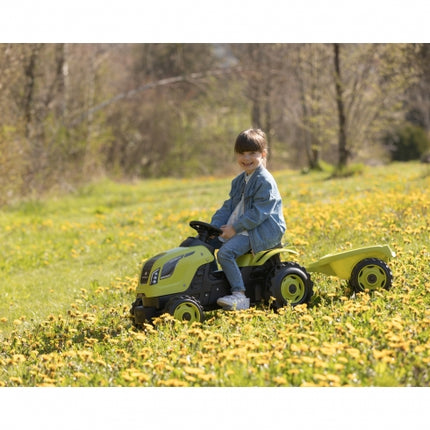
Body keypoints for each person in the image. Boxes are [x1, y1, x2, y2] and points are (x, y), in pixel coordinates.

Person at [210, 128, 286, 311]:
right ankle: (213, 286)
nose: (246, 158)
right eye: (242, 153)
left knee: (225, 253)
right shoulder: (239, 181)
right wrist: (213, 227)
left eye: (252, 153)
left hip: (260, 229)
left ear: (263, 154)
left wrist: (235, 228)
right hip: (242, 227)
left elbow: (259, 213)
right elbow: (229, 206)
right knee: (206, 245)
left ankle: (239, 295)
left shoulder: (265, 181)